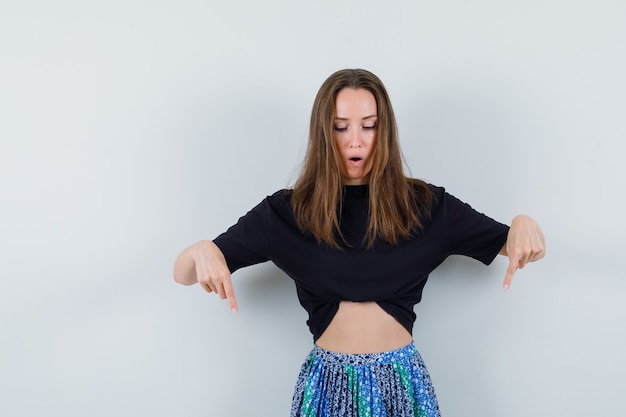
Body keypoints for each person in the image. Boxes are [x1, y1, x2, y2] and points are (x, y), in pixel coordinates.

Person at [173, 68, 545, 417]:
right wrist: (201, 250)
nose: (355, 140)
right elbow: (184, 274)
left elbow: (516, 244)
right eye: (340, 127)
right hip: (326, 389)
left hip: (401, 387)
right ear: (324, 133)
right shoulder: (287, 212)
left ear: (384, 132)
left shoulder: (425, 206)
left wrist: (524, 224)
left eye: (369, 126)